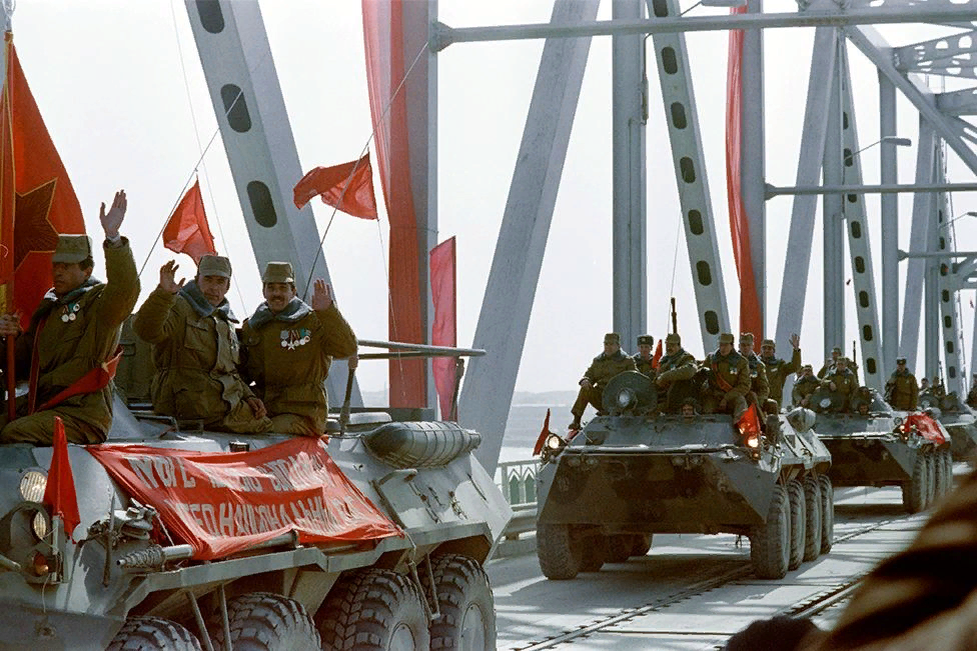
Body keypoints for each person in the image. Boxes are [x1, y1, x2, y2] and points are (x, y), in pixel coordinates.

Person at [0, 190, 139, 444]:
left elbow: (125, 290)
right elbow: (19, 366)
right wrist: (6, 335)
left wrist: (113, 239)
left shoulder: (100, 306)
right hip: (44, 406)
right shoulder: (48, 312)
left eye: (67, 266)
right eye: (56, 265)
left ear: (87, 271)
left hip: (83, 414)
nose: (59, 272)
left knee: (14, 433)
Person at [133, 255, 272, 433]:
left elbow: (229, 370)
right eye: (208, 279)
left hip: (217, 404)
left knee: (266, 419)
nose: (213, 288)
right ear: (197, 280)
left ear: (227, 286)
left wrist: (249, 396)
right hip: (189, 405)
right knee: (268, 427)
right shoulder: (179, 305)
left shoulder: (224, 320)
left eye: (220, 281)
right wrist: (163, 295)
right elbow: (146, 330)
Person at [240, 262, 358, 436]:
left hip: (304, 410)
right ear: (264, 291)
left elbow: (347, 349)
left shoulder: (313, 321)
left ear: (293, 291)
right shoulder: (253, 326)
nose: (277, 293)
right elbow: (241, 372)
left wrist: (327, 313)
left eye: (283, 288)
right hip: (265, 407)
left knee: (265, 430)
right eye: (271, 288)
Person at [569, 333, 636, 430]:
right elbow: (589, 375)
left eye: (611, 344)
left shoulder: (627, 361)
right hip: (601, 397)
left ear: (618, 346)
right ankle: (576, 419)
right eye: (606, 344)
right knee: (585, 389)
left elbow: (635, 379)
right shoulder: (598, 361)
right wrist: (585, 380)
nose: (608, 347)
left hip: (618, 399)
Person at [701, 333, 750, 419]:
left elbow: (744, 386)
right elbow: (701, 376)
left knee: (741, 404)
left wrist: (726, 398)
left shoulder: (741, 362)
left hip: (732, 396)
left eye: (725, 345)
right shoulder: (711, 358)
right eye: (721, 345)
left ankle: (741, 428)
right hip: (714, 395)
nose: (722, 348)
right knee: (706, 411)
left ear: (731, 345)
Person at [655, 332, 698, 412]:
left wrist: (665, 376)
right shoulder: (664, 360)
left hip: (679, 398)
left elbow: (689, 371)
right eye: (667, 345)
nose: (669, 348)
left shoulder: (686, 358)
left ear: (678, 345)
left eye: (672, 345)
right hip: (662, 396)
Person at [760, 335, 801, 409]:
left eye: (769, 348)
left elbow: (795, 367)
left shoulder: (780, 365)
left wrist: (796, 350)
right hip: (759, 400)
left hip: (775, 401)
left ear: (773, 350)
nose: (766, 350)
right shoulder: (755, 364)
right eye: (764, 348)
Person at [738, 332, 770, 405]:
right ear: (739, 346)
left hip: (753, 398)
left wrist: (760, 401)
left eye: (748, 345)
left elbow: (763, 387)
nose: (745, 348)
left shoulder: (759, 366)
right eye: (743, 345)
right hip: (736, 395)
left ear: (752, 346)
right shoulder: (733, 362)